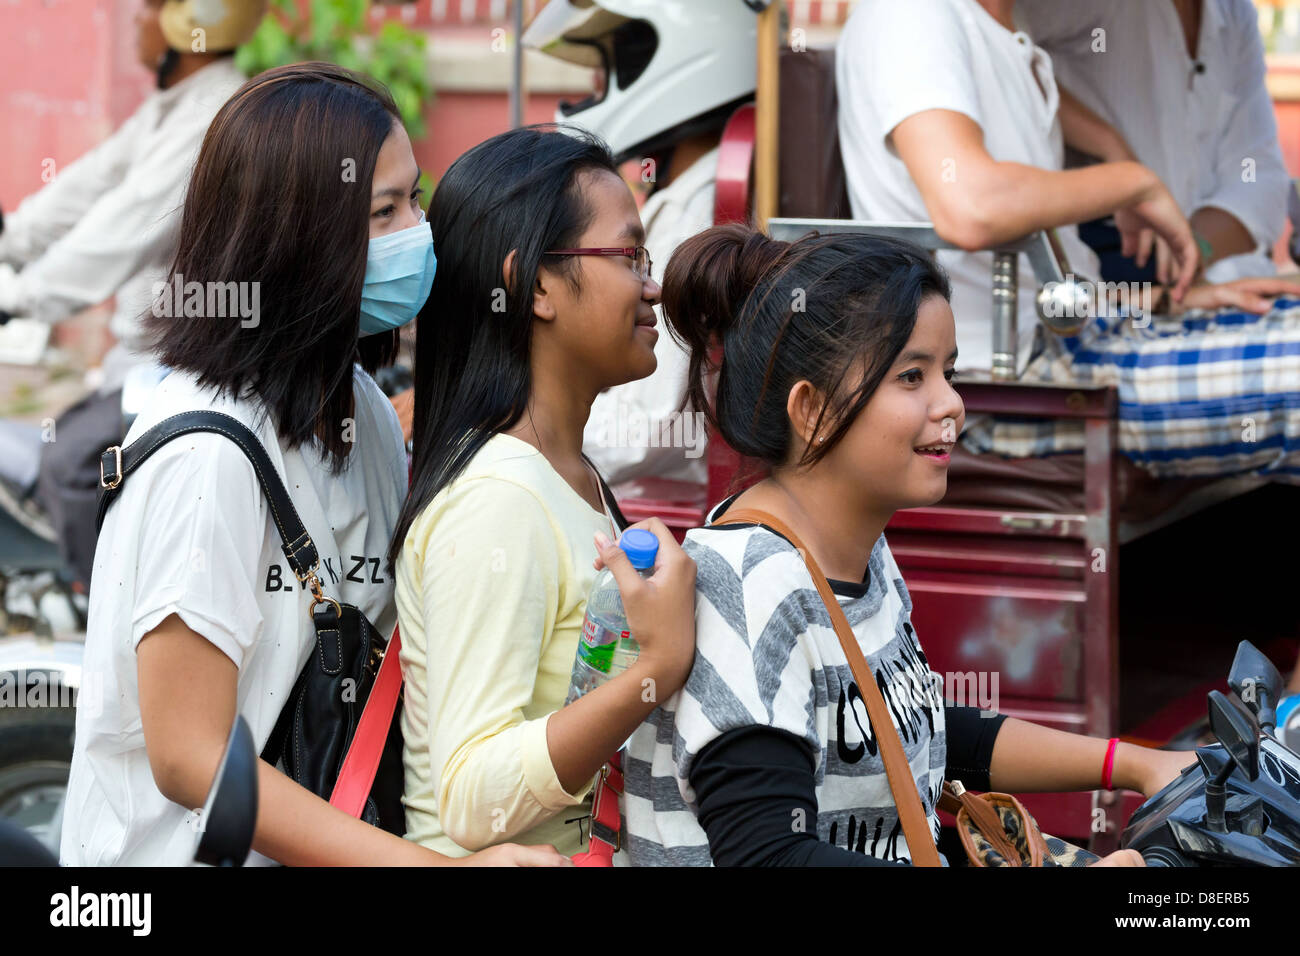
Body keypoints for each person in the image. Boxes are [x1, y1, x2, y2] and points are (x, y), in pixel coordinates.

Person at [60, 63, 565, 867]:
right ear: (295, 241)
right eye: (383, 212)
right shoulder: (207, 457)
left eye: (415, 198)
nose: (417, 231)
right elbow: (191, 757)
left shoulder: (358, 404)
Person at [619, 224, 1197, 866]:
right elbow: (767, 856)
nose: (951, 402)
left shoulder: (857, 547)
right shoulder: (751, 584)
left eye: (947, 372)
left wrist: (1136, 764)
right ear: (810, 409)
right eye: (911, 376)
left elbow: (915, 728)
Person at [389, 125, 698, 858]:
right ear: (535, 286)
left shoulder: (572, 476)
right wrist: (656, 669)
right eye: (628, 255)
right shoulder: (499, 498)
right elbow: (468, 797)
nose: (651, 285)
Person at [0, 0, 262, 589]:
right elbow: (89, 184)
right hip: (142, 363)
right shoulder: (172, 108)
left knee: (68, 466)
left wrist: (18, 297)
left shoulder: (209, 119)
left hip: (181, 368)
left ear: (190, 24)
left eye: (150, 7)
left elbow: (119, 232)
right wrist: (11, 237)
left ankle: (103, 616)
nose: (138, 19)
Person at [523, 0, 760, 486]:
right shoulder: (692, 190)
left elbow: (646, 429)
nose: (594, 92)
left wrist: (513, 433)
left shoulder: (698, 208)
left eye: (613, 69)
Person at [1020, 0, 1290, 285]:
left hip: (1191, 276)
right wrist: (1109, 145)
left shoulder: (1234, 12)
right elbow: (1008, 54)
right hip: (1101, 264)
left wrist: (1193, 250)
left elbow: (1259, 177)